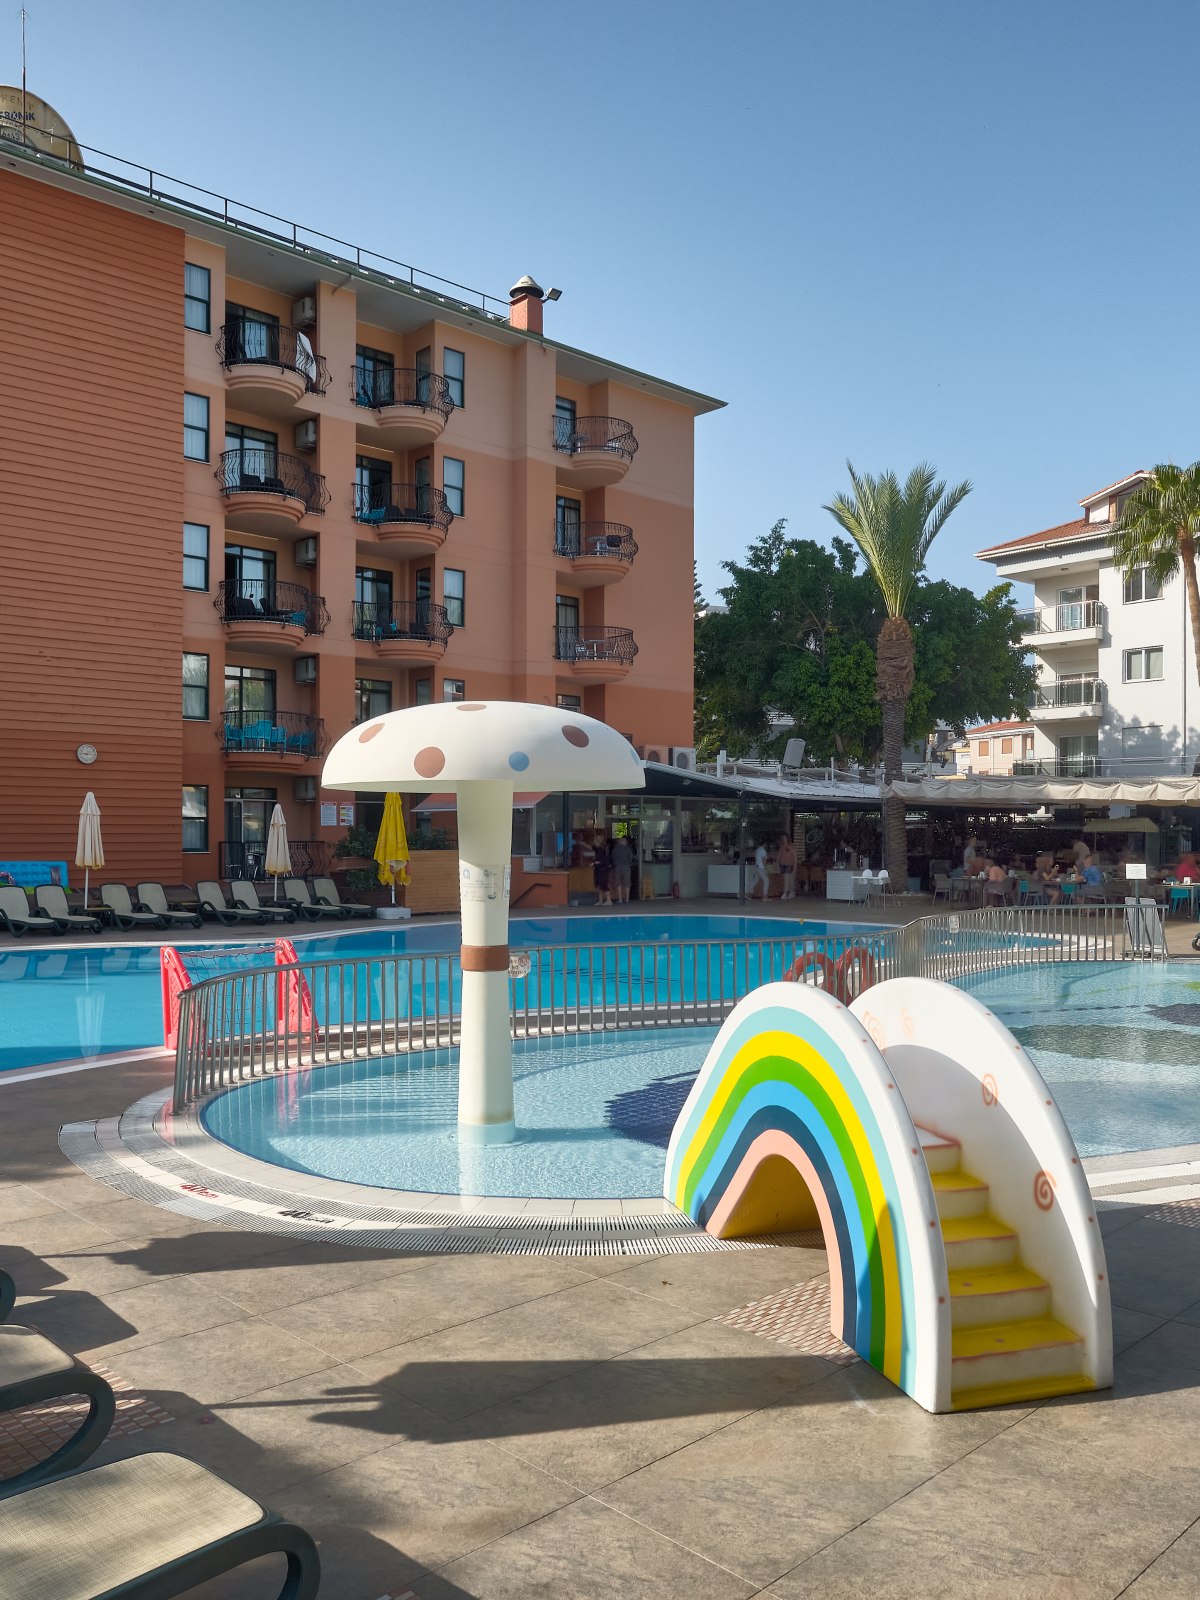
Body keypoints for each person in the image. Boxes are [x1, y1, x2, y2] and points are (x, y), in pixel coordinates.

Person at [609, 834, 632, 904]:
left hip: (617, 867)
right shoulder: (628, 849)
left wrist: (615, 864)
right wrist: (629, 864)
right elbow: (631, 857)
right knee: (627, 883)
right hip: (626, 867)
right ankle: (627, 899)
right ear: (625, 842)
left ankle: (620, 899)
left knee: (618, 883)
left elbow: (612, 857)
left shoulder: (615, 849)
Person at [593, 835, 612, 906]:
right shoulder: (598, 849)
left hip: (602, 870)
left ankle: (609, 900)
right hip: (598, 870)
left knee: (604, 884)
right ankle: (600, 900)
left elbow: (602, 860)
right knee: (599, 885)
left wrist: (594, 863)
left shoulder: (601, 850)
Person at [777, 834, 796, 900]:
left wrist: (795, 865)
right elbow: (779, 856)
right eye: (783, 838)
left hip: (789, 864)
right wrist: (777, 864)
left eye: (785, 838)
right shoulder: (782, 847)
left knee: (787, 878)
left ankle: (785, 893)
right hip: (783, 864)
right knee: (789, 879)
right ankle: (792, 892)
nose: (784, 839)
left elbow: (795, 856)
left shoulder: (791, 846)